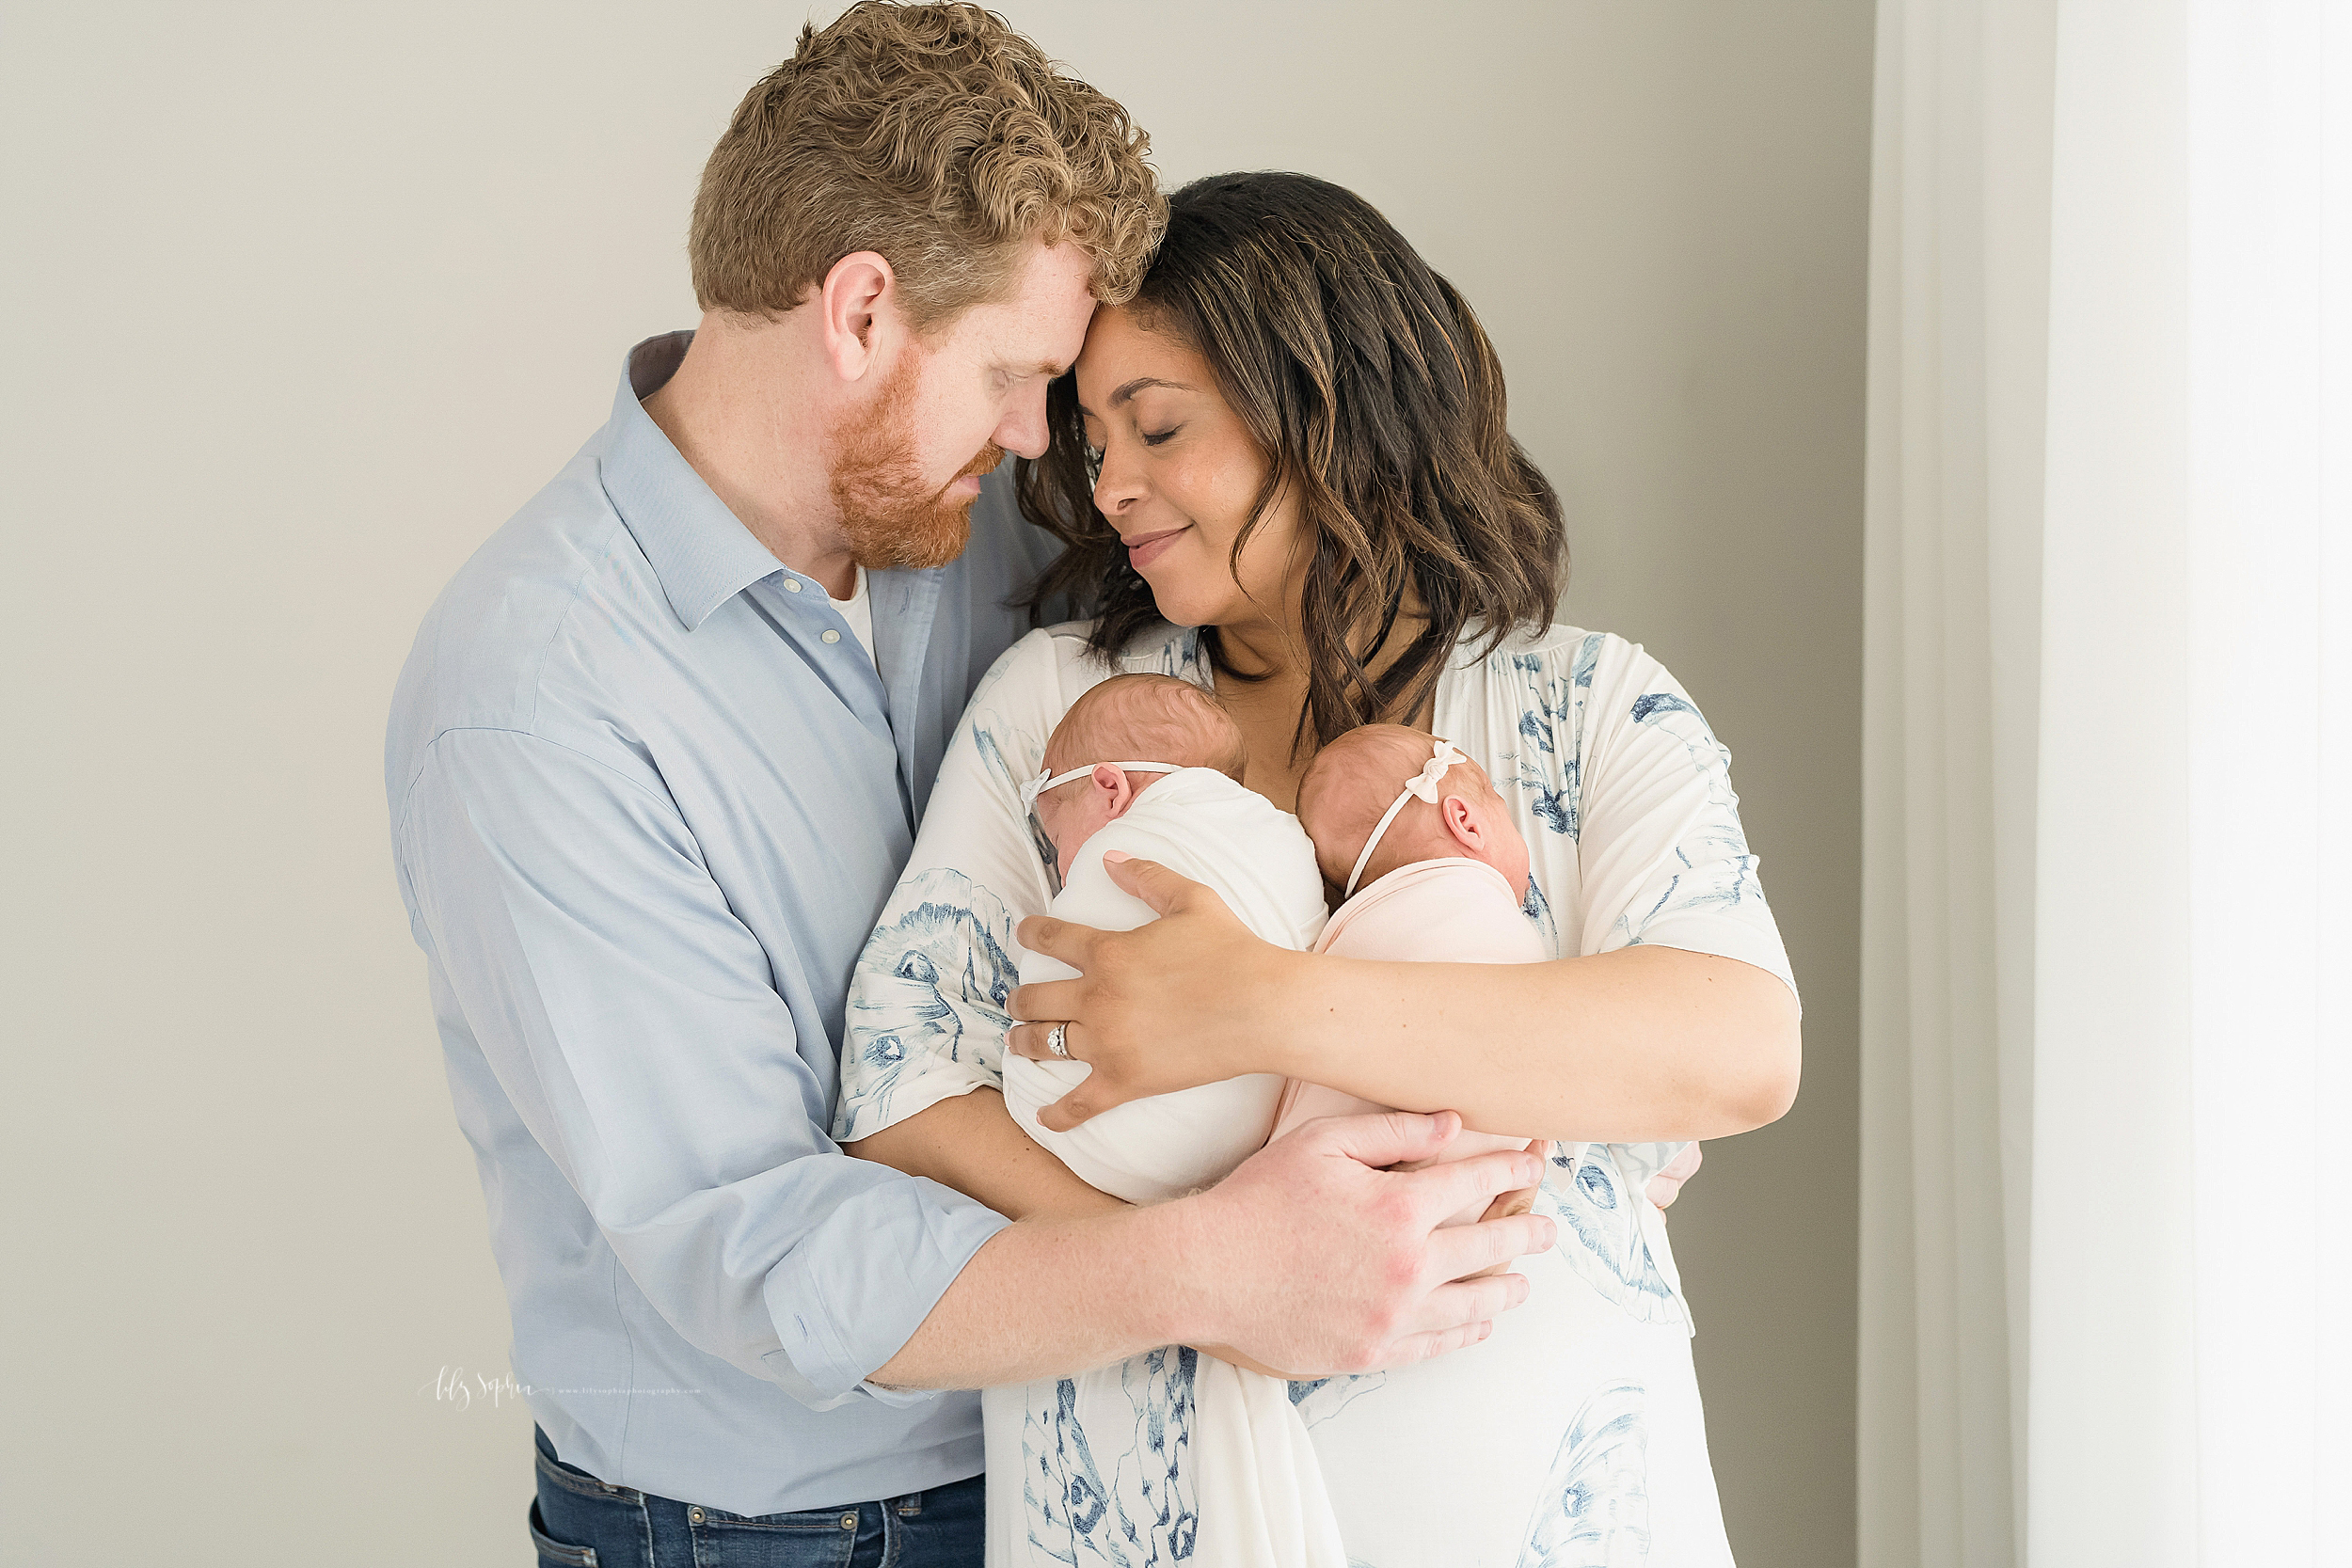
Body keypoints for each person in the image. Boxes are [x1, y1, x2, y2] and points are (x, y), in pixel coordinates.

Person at [383, 10, 1551, 1567]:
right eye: (1015, 376)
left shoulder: (969, 521)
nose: (1039, 443)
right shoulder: (531, 705)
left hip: (1102, 1452)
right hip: (783, 1526)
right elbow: (755, 1244)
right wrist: (1222, 1264)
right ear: (861, 311)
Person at [836, 170, 1803, 1564]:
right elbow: (901, 1087)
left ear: (1325, 403)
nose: (1107, 486)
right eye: (1091, 442)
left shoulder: (1587, 713)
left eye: (1156, 426)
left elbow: (1736, 1045)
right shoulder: (1064, 709)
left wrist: (1259, 1005)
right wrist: (1231, 1271)